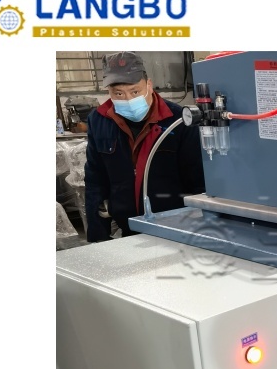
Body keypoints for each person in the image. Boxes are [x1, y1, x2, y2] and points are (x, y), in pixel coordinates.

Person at [84, 51, 205, 243]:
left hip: (175, 227)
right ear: (108, 92)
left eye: (135, 91)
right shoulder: (99, 120)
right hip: (128, 228)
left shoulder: (178, 120)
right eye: (118, 93)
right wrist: (98, 237)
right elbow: (95, 179)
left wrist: (201, 229)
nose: (128, 99)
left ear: (149, 85)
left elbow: (198, 181)